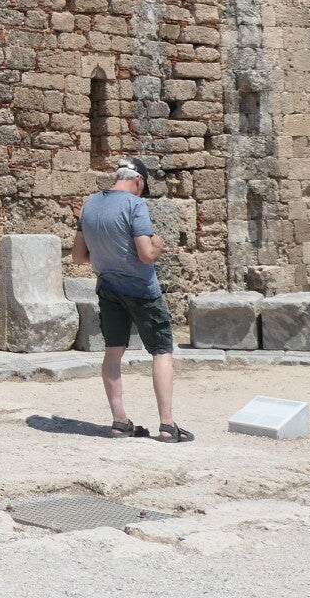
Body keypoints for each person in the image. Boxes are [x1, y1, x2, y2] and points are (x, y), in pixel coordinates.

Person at [71, 157, 193, 443]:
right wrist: (158, 245)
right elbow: (146, 254)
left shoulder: (89, 205)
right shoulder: (134, 205)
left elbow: (78, 256)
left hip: (108, 287)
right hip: (141, 290)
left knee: (113, 352)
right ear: (138, 180)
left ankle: (119, 422)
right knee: (161, 351)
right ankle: (167, 425)